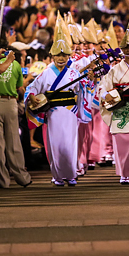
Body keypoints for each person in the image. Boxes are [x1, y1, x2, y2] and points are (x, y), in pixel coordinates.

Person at [25, 16, 82, 186]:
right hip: (53, 112)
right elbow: (32, 88)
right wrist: (33, 98)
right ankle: (57, 176)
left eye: (65, 55)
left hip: (70, 112)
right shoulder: (46, 73)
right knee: (55, 145)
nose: (61, 58)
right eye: (58, 55)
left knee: (69, 145)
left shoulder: (74, 73)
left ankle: (71, 174)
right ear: (52, 55)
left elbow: (83, 90)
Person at [99, 15, 129, 185]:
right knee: (120, 141)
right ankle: (123, 174)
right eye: (125, 47)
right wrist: (105, 95)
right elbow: (104, 86)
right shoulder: (114, 69)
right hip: (120, 107)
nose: (128, 50)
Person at [0, 44, 31, 189]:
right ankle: (22, 177)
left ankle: (3, 180)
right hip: (11, 103)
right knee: (14, 142)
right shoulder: (16, 65)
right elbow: (19, 86)